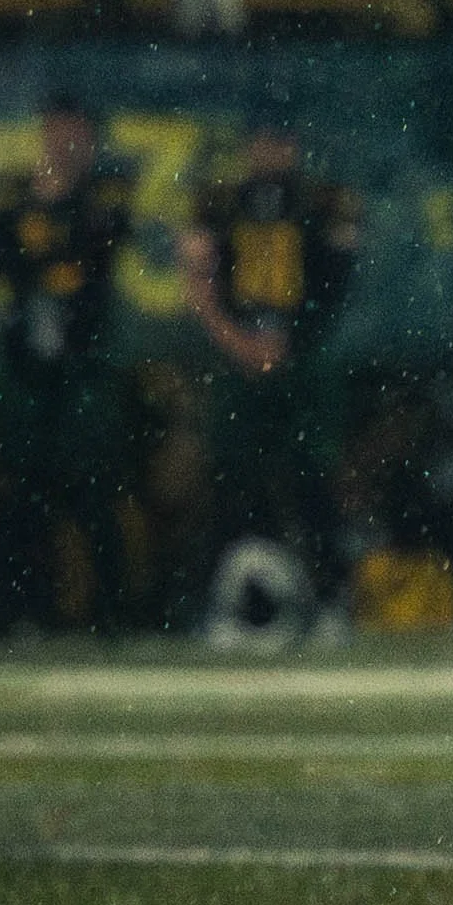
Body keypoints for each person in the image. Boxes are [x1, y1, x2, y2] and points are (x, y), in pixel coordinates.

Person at [179, 124, 360, 634]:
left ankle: (326, 599)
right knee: (233, 483)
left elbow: (333, 287)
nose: (271, 151)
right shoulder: (218, 204)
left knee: (312, 483)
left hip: (298, 361)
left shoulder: (321, 203)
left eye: (279, 141)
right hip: (240, 359)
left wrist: (289, 343)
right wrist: (237, 341)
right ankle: (229, 605)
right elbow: (197, 283)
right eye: (263, 140)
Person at [0, 98, 132, 628]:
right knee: (27, 492)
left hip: (80, 367)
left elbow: (96, 261)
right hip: (30, 366)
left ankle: (111, 612)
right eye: (56, 132)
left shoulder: (102, 200)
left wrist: (44, 267)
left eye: (75, 134)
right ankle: (28, 610)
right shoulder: (18, 200)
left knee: (91, 485)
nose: (64, 143)